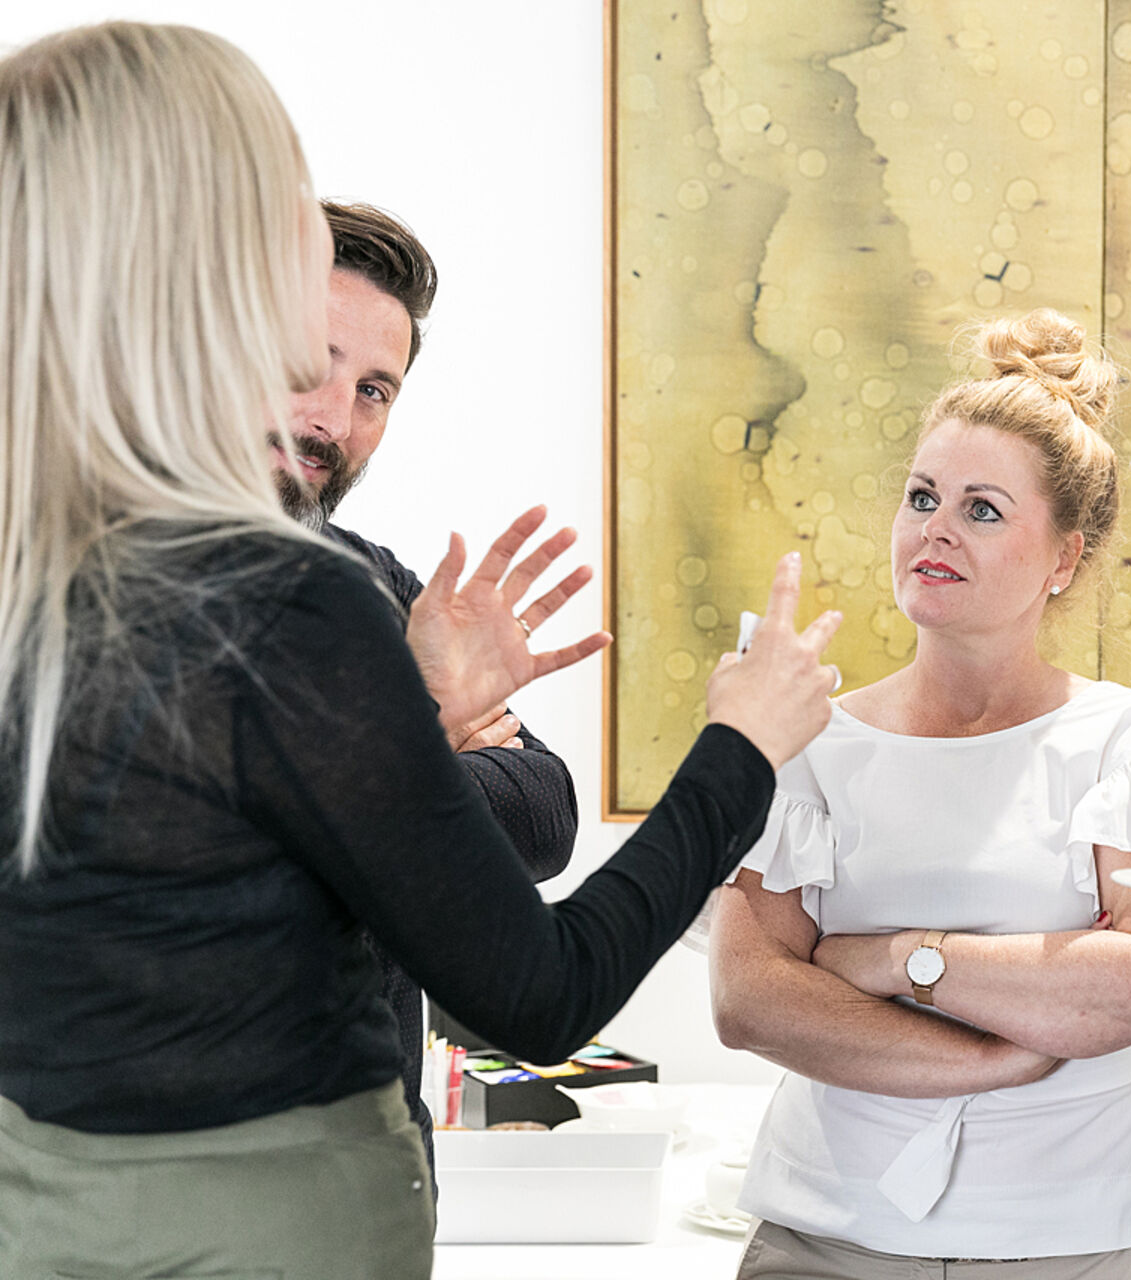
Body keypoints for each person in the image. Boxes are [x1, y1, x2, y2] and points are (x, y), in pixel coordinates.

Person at [0, 22, 838, 1279]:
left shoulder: (49, 569)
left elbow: (521, 808)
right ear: (205, 250)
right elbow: (541, 993)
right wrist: (743, 748)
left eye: (376, 385)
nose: (332, 407)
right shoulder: (290, 602)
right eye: (277, 197)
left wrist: (403, 722)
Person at [708, 308, 1131, 1278]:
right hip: (828, 1234)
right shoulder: (809, 738)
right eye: (922, 496)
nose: (935, 529)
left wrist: (892, 958)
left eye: (983, 509)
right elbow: (750, 998)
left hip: (1081, 1237)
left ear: (1064, 559)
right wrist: (999, 1053)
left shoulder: (1126, 741)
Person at [280, 199, 583, 1173]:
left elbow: (543, 815)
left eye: (374, 389)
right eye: (307, 361)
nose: (334, 419)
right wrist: (421, 739)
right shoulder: (77, 584)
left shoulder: (381, 587)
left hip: (373, 1182)